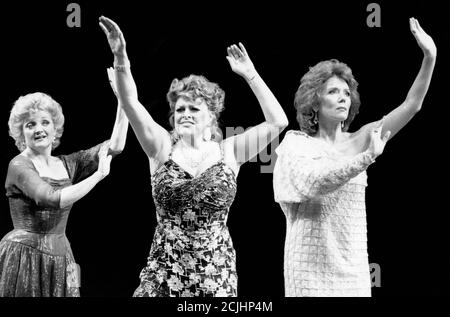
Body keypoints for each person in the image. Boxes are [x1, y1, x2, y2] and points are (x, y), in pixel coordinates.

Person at [99, 16, 288, 297]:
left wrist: (251, 74)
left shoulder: (230, 151)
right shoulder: (161, 147)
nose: (185, 114)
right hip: (164, 270)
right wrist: (120, 57)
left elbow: (278, 123)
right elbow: (130, 102)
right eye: (180, 109)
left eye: (194, 109)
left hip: (215, 273)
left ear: (211, 116)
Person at [273, 18, 436, 297]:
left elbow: (412, 104)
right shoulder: (295, 144)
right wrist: (368, 158)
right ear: (315, 100)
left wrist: (430, 57)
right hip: (308, 271)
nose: (343, 98)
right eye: (333, 91)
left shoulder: (361, 139)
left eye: (347, 93)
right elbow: (316, 183)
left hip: (353, 270)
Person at [0, 86, 129, 296]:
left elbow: (115, 147)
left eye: (45, 122)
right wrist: (98, 176)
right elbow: (51, 198)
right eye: (30, 124)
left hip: (63, 254)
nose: (38, 129)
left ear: (55, 130)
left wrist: (124, 102)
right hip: (25, 255)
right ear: (22, 134)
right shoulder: (18, 166)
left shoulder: (69, 163)